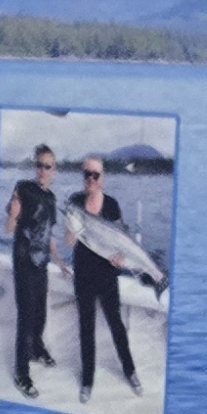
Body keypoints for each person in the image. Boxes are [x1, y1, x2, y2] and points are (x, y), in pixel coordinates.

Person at [66, 153, 145, 399]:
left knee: (117, 326)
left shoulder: (111, 204)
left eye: (95, 174)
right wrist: (72, 227)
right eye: (86, 174)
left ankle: (130, 371)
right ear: (83, 176)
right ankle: (87, 381)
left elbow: (122, 243)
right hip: (83, 276)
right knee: (86, 329)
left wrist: (121, 257)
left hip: (108, 275)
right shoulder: (74, 201)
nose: (90, 178)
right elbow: (69, 242)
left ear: (102, 177)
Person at [4, 144, 59, 397]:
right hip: (24, 262)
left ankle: (37, 349)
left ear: (54, 170)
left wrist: (60, 261)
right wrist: (13, 215)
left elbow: (48, 234)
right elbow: (8, 228)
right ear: (34, 166)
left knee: (40, 314)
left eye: (47, 166)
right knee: (26, 317)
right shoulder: (23, 188)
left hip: (42, 263)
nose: (42, 170)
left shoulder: (52, 198)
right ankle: (21, 373)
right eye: (39, 165)